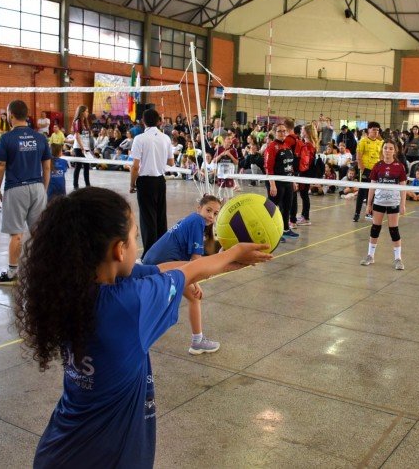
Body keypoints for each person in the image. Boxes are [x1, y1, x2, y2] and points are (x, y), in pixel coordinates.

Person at [14, 187, 271, 467]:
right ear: (118, 249)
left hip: (61, 447)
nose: (138, 246)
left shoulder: (76, 284)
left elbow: (164, 269)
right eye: (135, 238)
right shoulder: (127, 305)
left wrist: (225, 263)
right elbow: (186, 273)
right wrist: (232, 252)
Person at [141, 194, 223, 354]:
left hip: (152, 261)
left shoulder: (193, 219)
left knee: (159, 300)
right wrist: (196, 283)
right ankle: (197, 342)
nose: (211, 216)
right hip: (161, 264)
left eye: (215, 213)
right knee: (194, 296)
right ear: (198, 208)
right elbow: (195, 262)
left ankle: (140, 330)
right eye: (208, 210)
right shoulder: (197, 222)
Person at [0, 100, 51, 285]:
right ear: (27, 115)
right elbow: (47, 167)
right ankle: (43, 271)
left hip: (16, 188)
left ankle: (12, 274)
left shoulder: (6, 138)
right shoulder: (40, 138)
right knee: (39, 233)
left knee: (16, 234)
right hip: (37, 187)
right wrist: (44, 189)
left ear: (10, 115)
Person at [129, 108, 173, 256]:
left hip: (145, 182)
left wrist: (132, 184)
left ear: (143, 121)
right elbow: (171, 162)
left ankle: (149, 255)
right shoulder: (166, 138)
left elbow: (135, 166)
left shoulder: (139, 139)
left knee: (148, 219)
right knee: (161, 218)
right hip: (160, 181)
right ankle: (162, 252)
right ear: (159, 121)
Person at [360, 139, 407, 270]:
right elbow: (372, 186)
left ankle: (398, 259)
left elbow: (403, 187)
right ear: (382, 150)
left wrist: (403, 205)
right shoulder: (378, 165)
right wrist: (369, 204)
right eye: (385, 148)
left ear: (394, 151)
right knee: (375, 228)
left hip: (393, 202)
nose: (388, 150)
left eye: (391, 148)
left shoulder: (399, 166)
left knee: (394, 230)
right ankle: (370, 256)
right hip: (379, 201)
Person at [263, 123, 299, 240]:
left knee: (287, 207)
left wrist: (293, 181)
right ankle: (271, 232)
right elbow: (268, 167)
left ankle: (285, 229)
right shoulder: (272, 147)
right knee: (273, 208)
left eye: (284, 131)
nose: (282, 133)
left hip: (287, 181)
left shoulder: (287, 146)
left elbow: (290, 165)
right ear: (274, 133)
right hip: (276, 182)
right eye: (279, 131)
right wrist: (272, 185)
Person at [354, 122, 385, 222]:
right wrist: (363, 170)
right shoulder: (363, 141)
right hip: (365, 170)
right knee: (362, 192)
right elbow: (358, 157)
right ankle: (357, 213)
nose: (376, 132)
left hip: (376, 170)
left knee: (373, 193)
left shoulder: (380, 142)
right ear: (368, 130)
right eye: (373, 129)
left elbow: (381, 156)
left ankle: (369, 213)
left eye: (377, 130)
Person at [71, 105, 92, 189]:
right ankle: (75, 185)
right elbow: (77, 136)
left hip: (86, 147)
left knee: (87, 166)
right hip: (79, 147)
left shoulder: (85, 122)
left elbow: (86, 136)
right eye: (86, 111)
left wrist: (88, 147)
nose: (88, 113)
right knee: (78, 166)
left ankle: (88, 185)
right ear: (82, 112)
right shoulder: (77, 121)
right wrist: (82, 147)